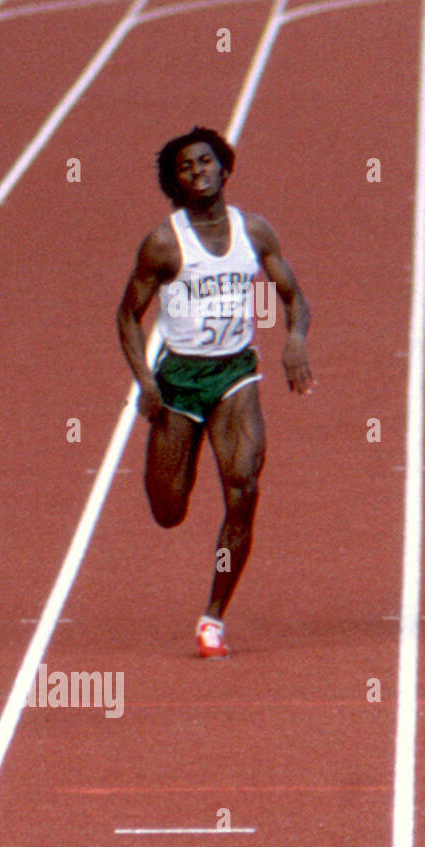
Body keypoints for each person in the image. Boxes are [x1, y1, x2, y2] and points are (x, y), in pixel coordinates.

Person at [115, 127, 313, 658]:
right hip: (179, 383)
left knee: (243, 488)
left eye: (206, 161)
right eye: (185, 167)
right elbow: (128, 317)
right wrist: (145, 381)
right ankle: (178, 458)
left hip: (235, 378)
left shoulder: (256, 233)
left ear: (224, 169)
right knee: (168, 511)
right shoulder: (164, 242)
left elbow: (293, 298)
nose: (198, 170)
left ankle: (213, 617)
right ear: (175, 184)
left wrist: (294, 339)